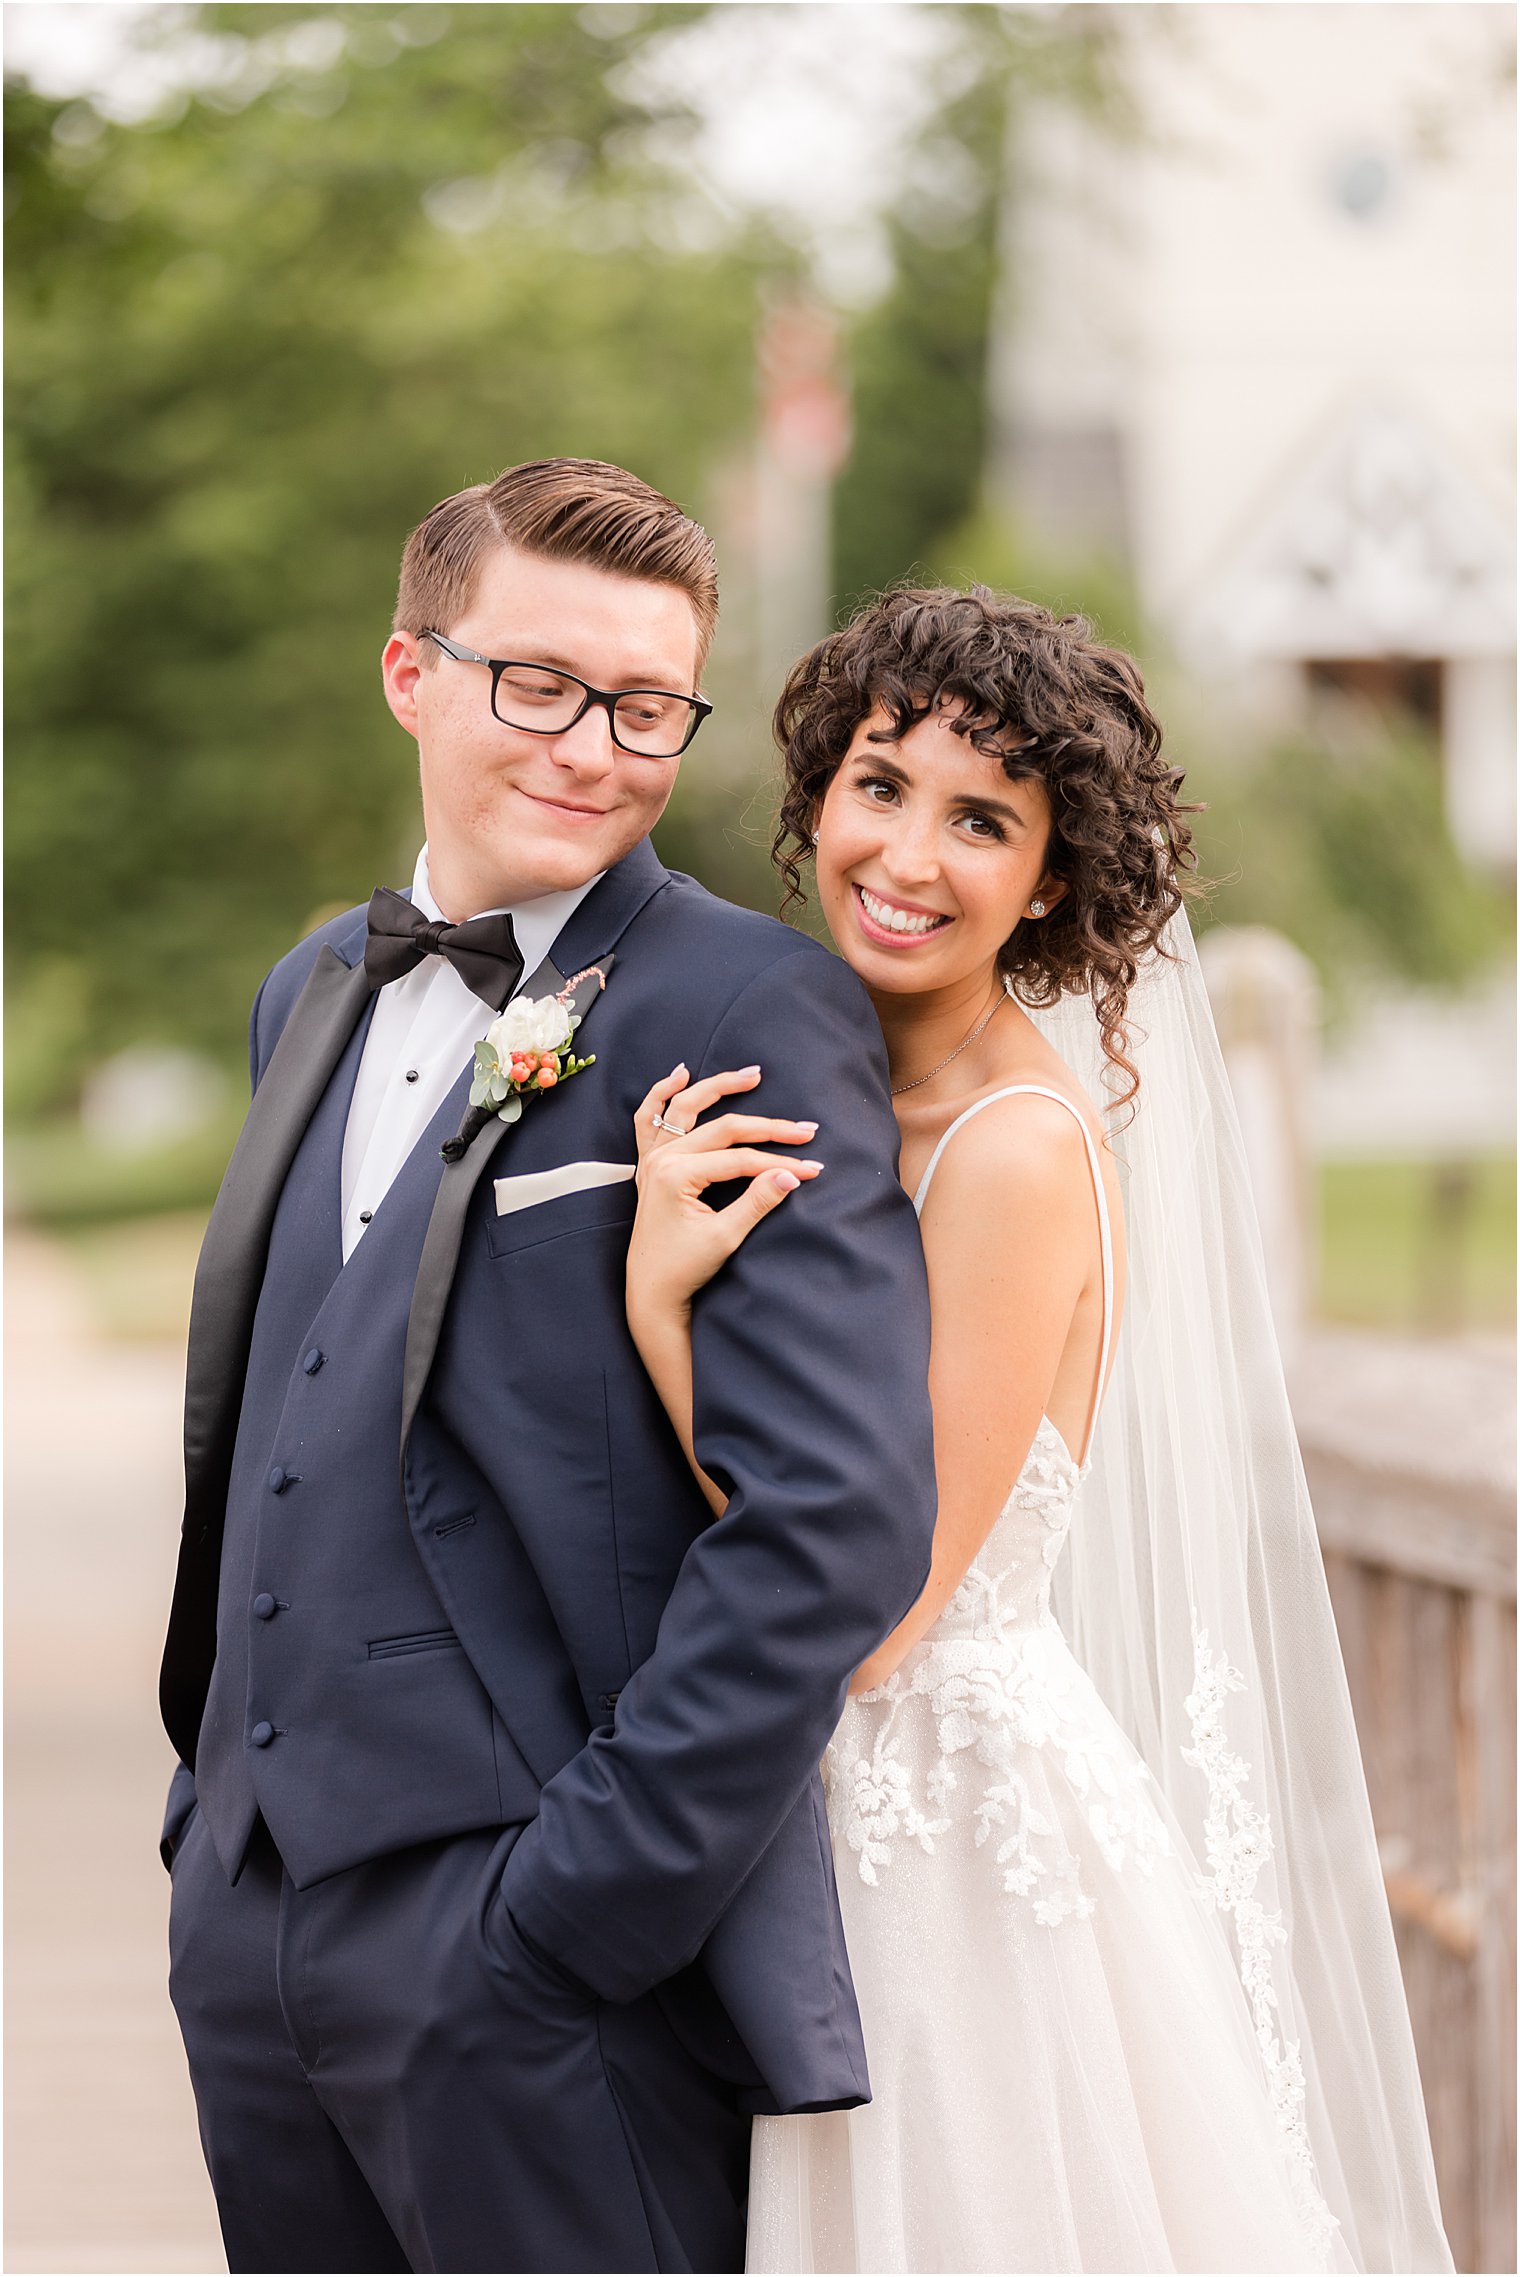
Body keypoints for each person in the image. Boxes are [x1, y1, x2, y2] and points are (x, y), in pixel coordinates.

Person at [156, 459, 940, 2275]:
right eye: (543, 685)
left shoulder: (750, 1006)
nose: (597, 748)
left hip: (537, 1962)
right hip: (254, 1925)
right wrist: (210, 1835)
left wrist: (574, 1916)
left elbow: (831, 1517)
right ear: (410, 673)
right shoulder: (311, 990)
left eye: (648, 704)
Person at [626, 586, 1454, 2273]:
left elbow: (882, 1604)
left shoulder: (1009, 1148)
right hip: (795, 1794)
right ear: (816, 799)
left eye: (981, 820)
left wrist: (660, 1314)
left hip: (941, 1842)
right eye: (881, 786)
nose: (908, 854)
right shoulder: (821, 1075)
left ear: (1053, 877)